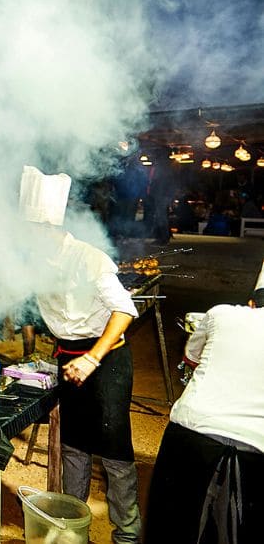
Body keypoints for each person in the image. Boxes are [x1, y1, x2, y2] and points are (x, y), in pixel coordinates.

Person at [22, 166, 142, 543]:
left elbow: (123, 311)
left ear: (51, 228)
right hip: (68, 357)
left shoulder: (90, 259)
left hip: (105, 360)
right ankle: (71, 531)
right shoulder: (33, 260)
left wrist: (92, 358)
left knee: (114, 449)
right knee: (73, 444)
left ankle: (127, 533)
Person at [145, 288, 264, 543]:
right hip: (255, 448)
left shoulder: (221, 313)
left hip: (193, 433)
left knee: (171, 526)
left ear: (251, 303)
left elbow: (191, 356)